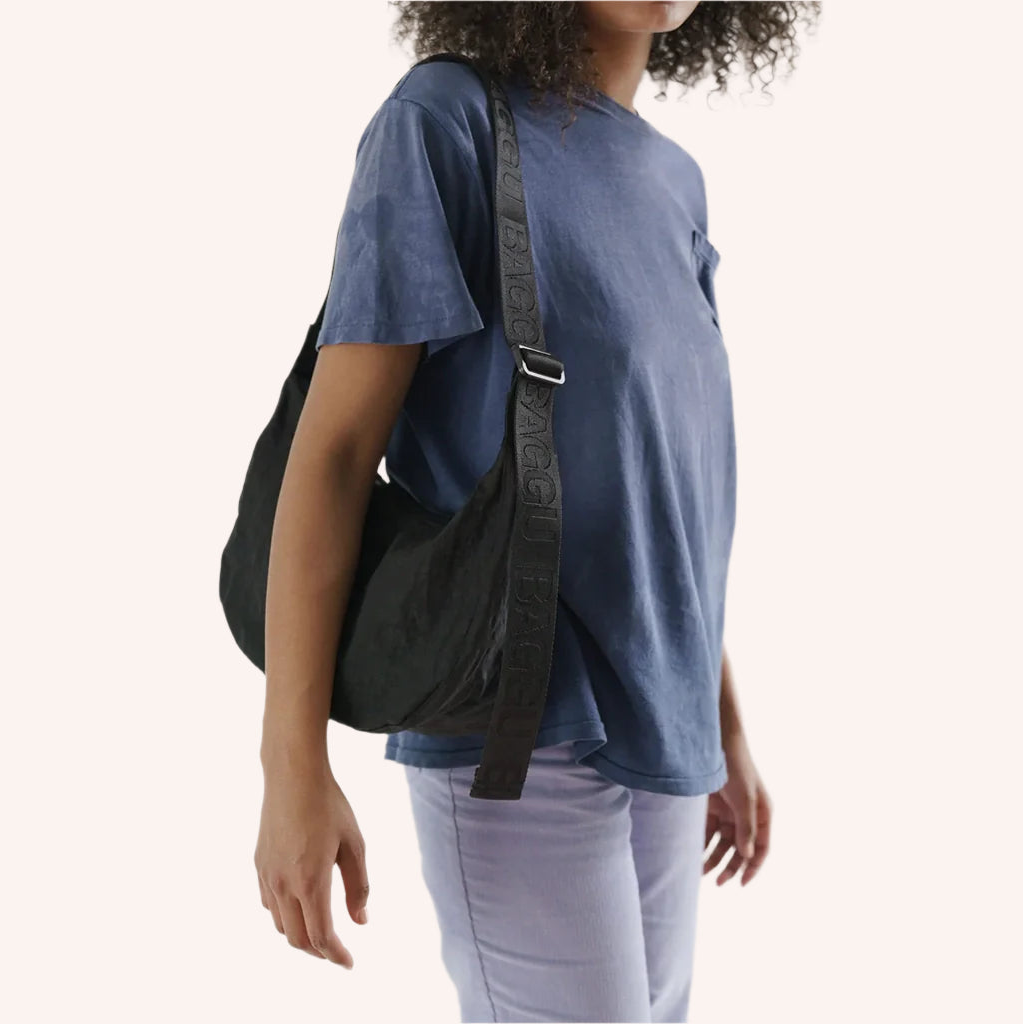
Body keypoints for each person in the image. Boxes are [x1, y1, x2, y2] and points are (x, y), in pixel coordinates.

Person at [254, 2, 819, 1021]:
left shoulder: (674, 181)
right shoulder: (444, 123)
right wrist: (292, 769)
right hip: (515, 728)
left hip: (665, 731)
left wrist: (722, 728)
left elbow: (661, 493)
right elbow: (332, 456)